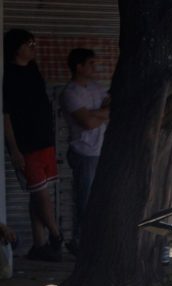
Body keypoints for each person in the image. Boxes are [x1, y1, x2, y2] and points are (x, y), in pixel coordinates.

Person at [3, 29, 62, 262]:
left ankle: (40, 244)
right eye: (29, 44)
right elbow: (5, 115)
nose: (34, 48)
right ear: (17, 48)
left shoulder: (33, 70)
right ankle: (57, 236)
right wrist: (14, 148)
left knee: (36, 193)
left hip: (44, 139)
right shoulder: (8, 74)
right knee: (41, 192)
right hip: (26, 144)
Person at [60, 48, 110, 255]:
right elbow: (87, 122)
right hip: (83, 151)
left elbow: (110, 106)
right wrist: (99, 115)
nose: (94, 67)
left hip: (100, 150)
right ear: (78, 66)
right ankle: (79, 240)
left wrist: (96, 113)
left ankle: (92, 239)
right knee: (84, 198)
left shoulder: (96, 88)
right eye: (90, 63)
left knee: (98, 198)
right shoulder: (71, 92)